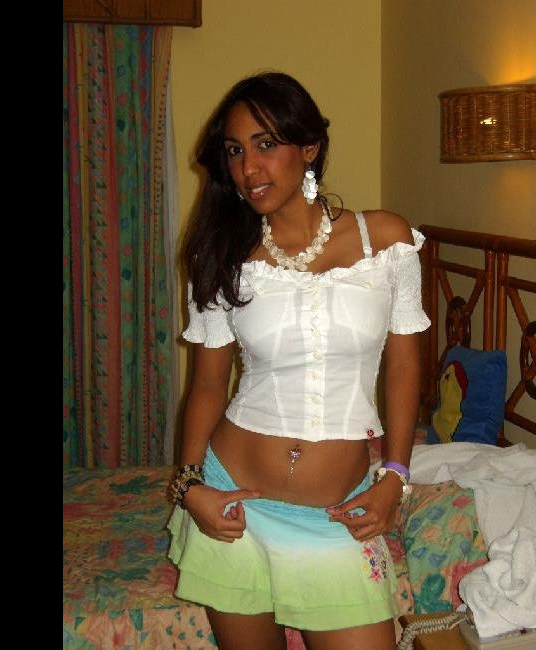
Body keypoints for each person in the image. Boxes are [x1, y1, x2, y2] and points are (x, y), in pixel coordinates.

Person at [167, 71, 431, 650]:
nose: (248, 168)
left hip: (335, 516)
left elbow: (404, 368)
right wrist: (190, 485)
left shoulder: (385, 241)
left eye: (265, 144)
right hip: (234, 503)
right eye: (235, 151)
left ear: (309, 147)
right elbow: (208, 385)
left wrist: (396, 477)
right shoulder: (222, 255)